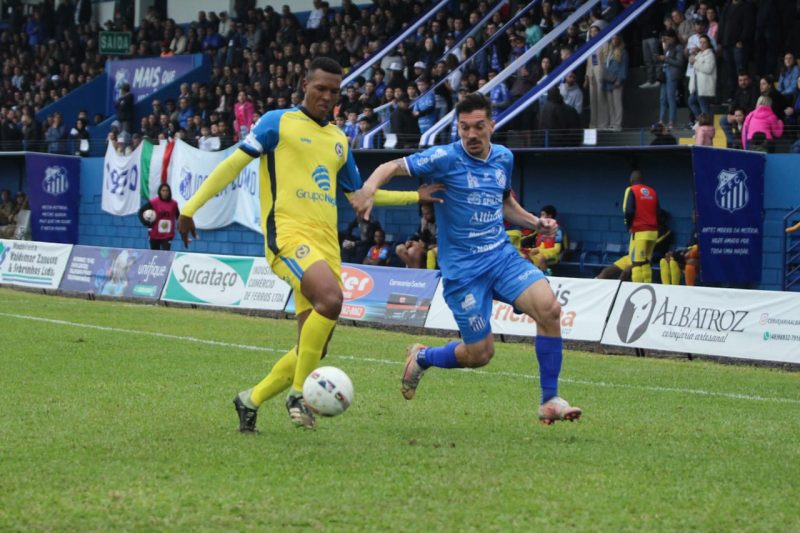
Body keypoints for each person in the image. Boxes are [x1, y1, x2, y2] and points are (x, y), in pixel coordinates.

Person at [177, 57, 442, 433]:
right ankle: (299, 394)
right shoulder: (276, 123)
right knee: (332, 300)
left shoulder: (337, 140)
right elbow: (232, 165)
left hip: (325, 247)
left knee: (314, 348)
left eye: (334, 91)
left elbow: (360, 196)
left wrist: (415, 197)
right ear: (304, 84)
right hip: (287, 237)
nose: (327, 96)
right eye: (321, 88)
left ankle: (249, 399)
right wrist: (190, 208)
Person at [350, 92, 582, 425]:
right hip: (463, 273)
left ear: (492, 124)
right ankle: (423, 357)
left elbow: (503, 202)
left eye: (478, 126)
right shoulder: (443, 158)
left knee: (549, 309)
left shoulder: (503, 158)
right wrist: (369, 188)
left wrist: (535, 223)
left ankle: (550, 400)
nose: (471, 135)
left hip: (501, 257)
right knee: (480, 354)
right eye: (463, 128)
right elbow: (391, 166)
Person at [623, 170, 660, 283]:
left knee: (636, 263)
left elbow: (628, 210)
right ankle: (648, 285)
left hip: (639, 232)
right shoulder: (652, 191)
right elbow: (658, 212)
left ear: (631, 180)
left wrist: (629, 226)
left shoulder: (631, 190)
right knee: (646, 262)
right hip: (653, 232)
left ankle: (637, 289)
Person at [522, 205, 563, 274]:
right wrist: (531, 250)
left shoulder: (557, 229)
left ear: (549, 216)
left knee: (541, 258)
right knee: (526, 256)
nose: (541, 217)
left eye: (543, 215)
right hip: (544, 251)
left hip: (555, 254)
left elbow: (557, 249)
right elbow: (542, 246)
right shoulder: (543, 228)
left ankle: (546, 276)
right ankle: (532, 275)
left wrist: (538, 250)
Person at [138, 184, 180, 251]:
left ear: (169, 192)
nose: (165, 193)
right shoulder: (154, 202)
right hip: (155, 234)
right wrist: (146, 223)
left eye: (167, 191)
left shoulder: (174, 204)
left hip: (168, 235)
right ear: (160, 192)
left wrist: (179, 226)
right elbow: (141, 211)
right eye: (163, 190)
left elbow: (178, 216)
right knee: (154, 255)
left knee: (165, 254)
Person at [395, 204, 437, 269]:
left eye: (427, 214)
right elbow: (417, 235)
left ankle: (416, 271)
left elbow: (430, 242)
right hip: (421, 246)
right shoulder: (424, 221)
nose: (425, 216)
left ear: (433, 212)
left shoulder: (438, 223)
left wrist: (424, 230)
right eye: (423, 214)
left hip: (430, 249)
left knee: (412, 250)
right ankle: (415, 270)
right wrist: (409, 241)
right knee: (399, 248)